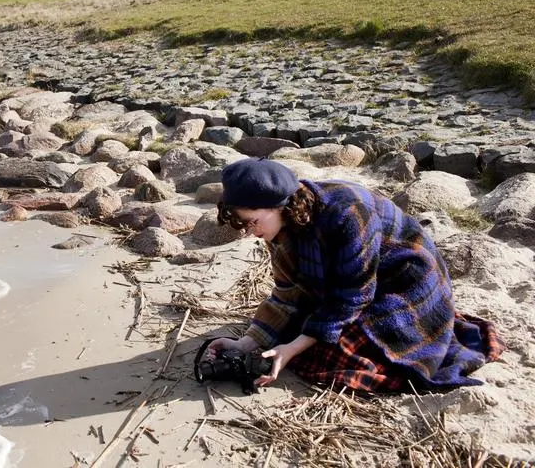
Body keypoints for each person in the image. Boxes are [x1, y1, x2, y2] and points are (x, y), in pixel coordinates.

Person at [205, 157, 504, 392]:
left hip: (406, 279)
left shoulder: (347, 213)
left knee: (339, 358)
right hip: (354, 280)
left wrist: (293, 347)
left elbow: (353, 295)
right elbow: (287, 293)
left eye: (252, 222)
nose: (250, 232)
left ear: (279, 205)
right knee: (297, 340)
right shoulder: (281, 228)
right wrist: (246, 343)